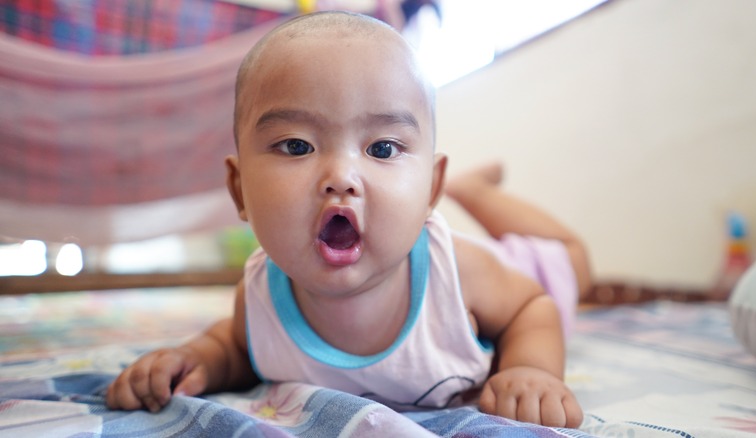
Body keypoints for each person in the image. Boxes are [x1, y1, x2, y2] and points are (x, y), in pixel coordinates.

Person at [106, 11, 590, 428]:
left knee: (574, 260)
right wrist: (196, 361)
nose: (341, 177)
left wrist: (533, 369)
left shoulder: (458, 271)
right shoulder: (258, 297)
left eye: (382, 148)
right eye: (297, 146)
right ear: (240, 190)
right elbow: (235, 348)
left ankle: (475, 191)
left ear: (429, 191)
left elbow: (533, 307)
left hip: (531, 270)